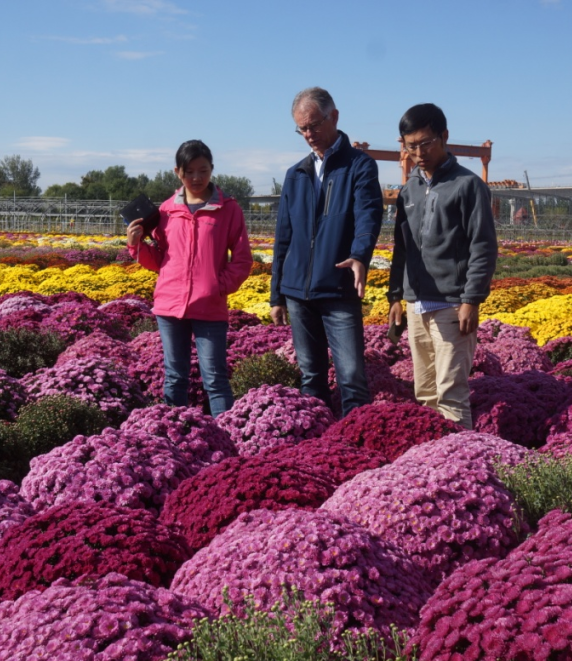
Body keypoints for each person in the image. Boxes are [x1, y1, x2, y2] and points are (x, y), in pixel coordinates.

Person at [270, 87, 384, 417]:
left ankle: (358, 446)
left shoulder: (359, 166)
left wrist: (360, 254)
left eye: (314, 125)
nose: (308, 134)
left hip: (337, 287)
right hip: (297, 293)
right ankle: (319, 447)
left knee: (351, 378)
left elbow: (368, 215)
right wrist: (277, 294)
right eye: (302, 128)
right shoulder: (296, 174)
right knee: (311, 378)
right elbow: (283, 238)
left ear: (334, 117)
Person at [387, 103, 498, 428]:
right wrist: (396, 295)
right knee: (425, 394)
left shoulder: (468, 186)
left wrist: (471, 299)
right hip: (416, 304)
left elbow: (483, 246)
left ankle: (462, 467)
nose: (419, 152)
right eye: (411, 146)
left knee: (450, 393)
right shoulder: (409, 189)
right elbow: (402, 248)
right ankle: (434, 468)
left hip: (452, 306)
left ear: (444, 136)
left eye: (426, 143)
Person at [127, 139, 252, 417]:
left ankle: (227, 440)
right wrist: (137, 245)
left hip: (209, 307)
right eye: (189, 171)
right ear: (177, 172)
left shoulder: (228, 209)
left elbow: (242, 259)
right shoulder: (165, 212)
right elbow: (160, 261)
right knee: (174, 377)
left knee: (216, 380)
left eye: (203, 170)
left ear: (212, 170)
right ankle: (176, 437)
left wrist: (218, 286)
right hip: (170, 306)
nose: (196, 177)